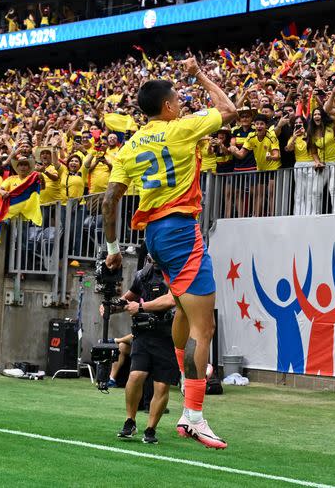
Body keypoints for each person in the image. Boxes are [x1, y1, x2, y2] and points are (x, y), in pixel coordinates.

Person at [102, 57, 236, 449]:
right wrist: (199, 74)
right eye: (178, 98)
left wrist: (113, 251)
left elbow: (110, 201)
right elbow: (229, 109)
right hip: (180, 229)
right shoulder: (180, 129)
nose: (182, 102)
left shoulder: (129, 147)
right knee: (203, 326)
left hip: (155, 236)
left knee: (181, 306)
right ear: (168, 107)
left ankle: (184, 374)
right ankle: (193, 414)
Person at [106, 255, 178, 444]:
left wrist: (142, 306)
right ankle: (130, 421)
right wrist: (111, 306)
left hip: (167, 336)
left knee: (161, 385)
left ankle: (151, 429)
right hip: (143, 335)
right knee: (135, 376)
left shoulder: (176, 272)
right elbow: (129, 297)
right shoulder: (143, 275)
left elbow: (171, 300)